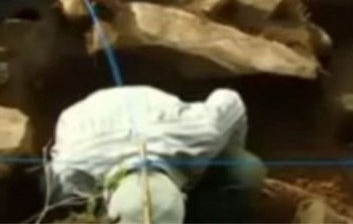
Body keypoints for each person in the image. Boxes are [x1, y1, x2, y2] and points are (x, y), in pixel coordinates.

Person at [48, 86, 266, 223]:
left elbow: (231, 101)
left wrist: (221, 154)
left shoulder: (201, 133)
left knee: (246, 170)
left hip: (161, 116)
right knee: (50, 191)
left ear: (184, 197)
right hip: (87, 120)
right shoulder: (73, 167)